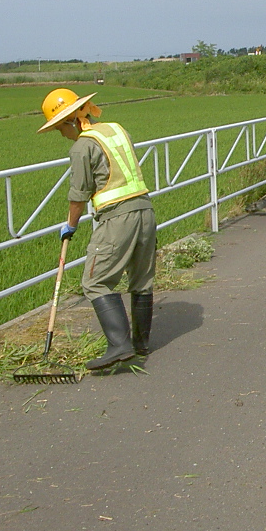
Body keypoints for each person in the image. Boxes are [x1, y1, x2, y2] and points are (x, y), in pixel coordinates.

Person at [38, 88, 157, 369]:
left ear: (70, 121)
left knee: (95, 282)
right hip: (145, 210)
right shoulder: (115, 129)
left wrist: (70, 226)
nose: (60, 134)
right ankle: (141, 344)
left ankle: (119, 345)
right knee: (141, 280)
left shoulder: (81, 147)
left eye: (58, 128)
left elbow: (78, 194)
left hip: (117, 218)